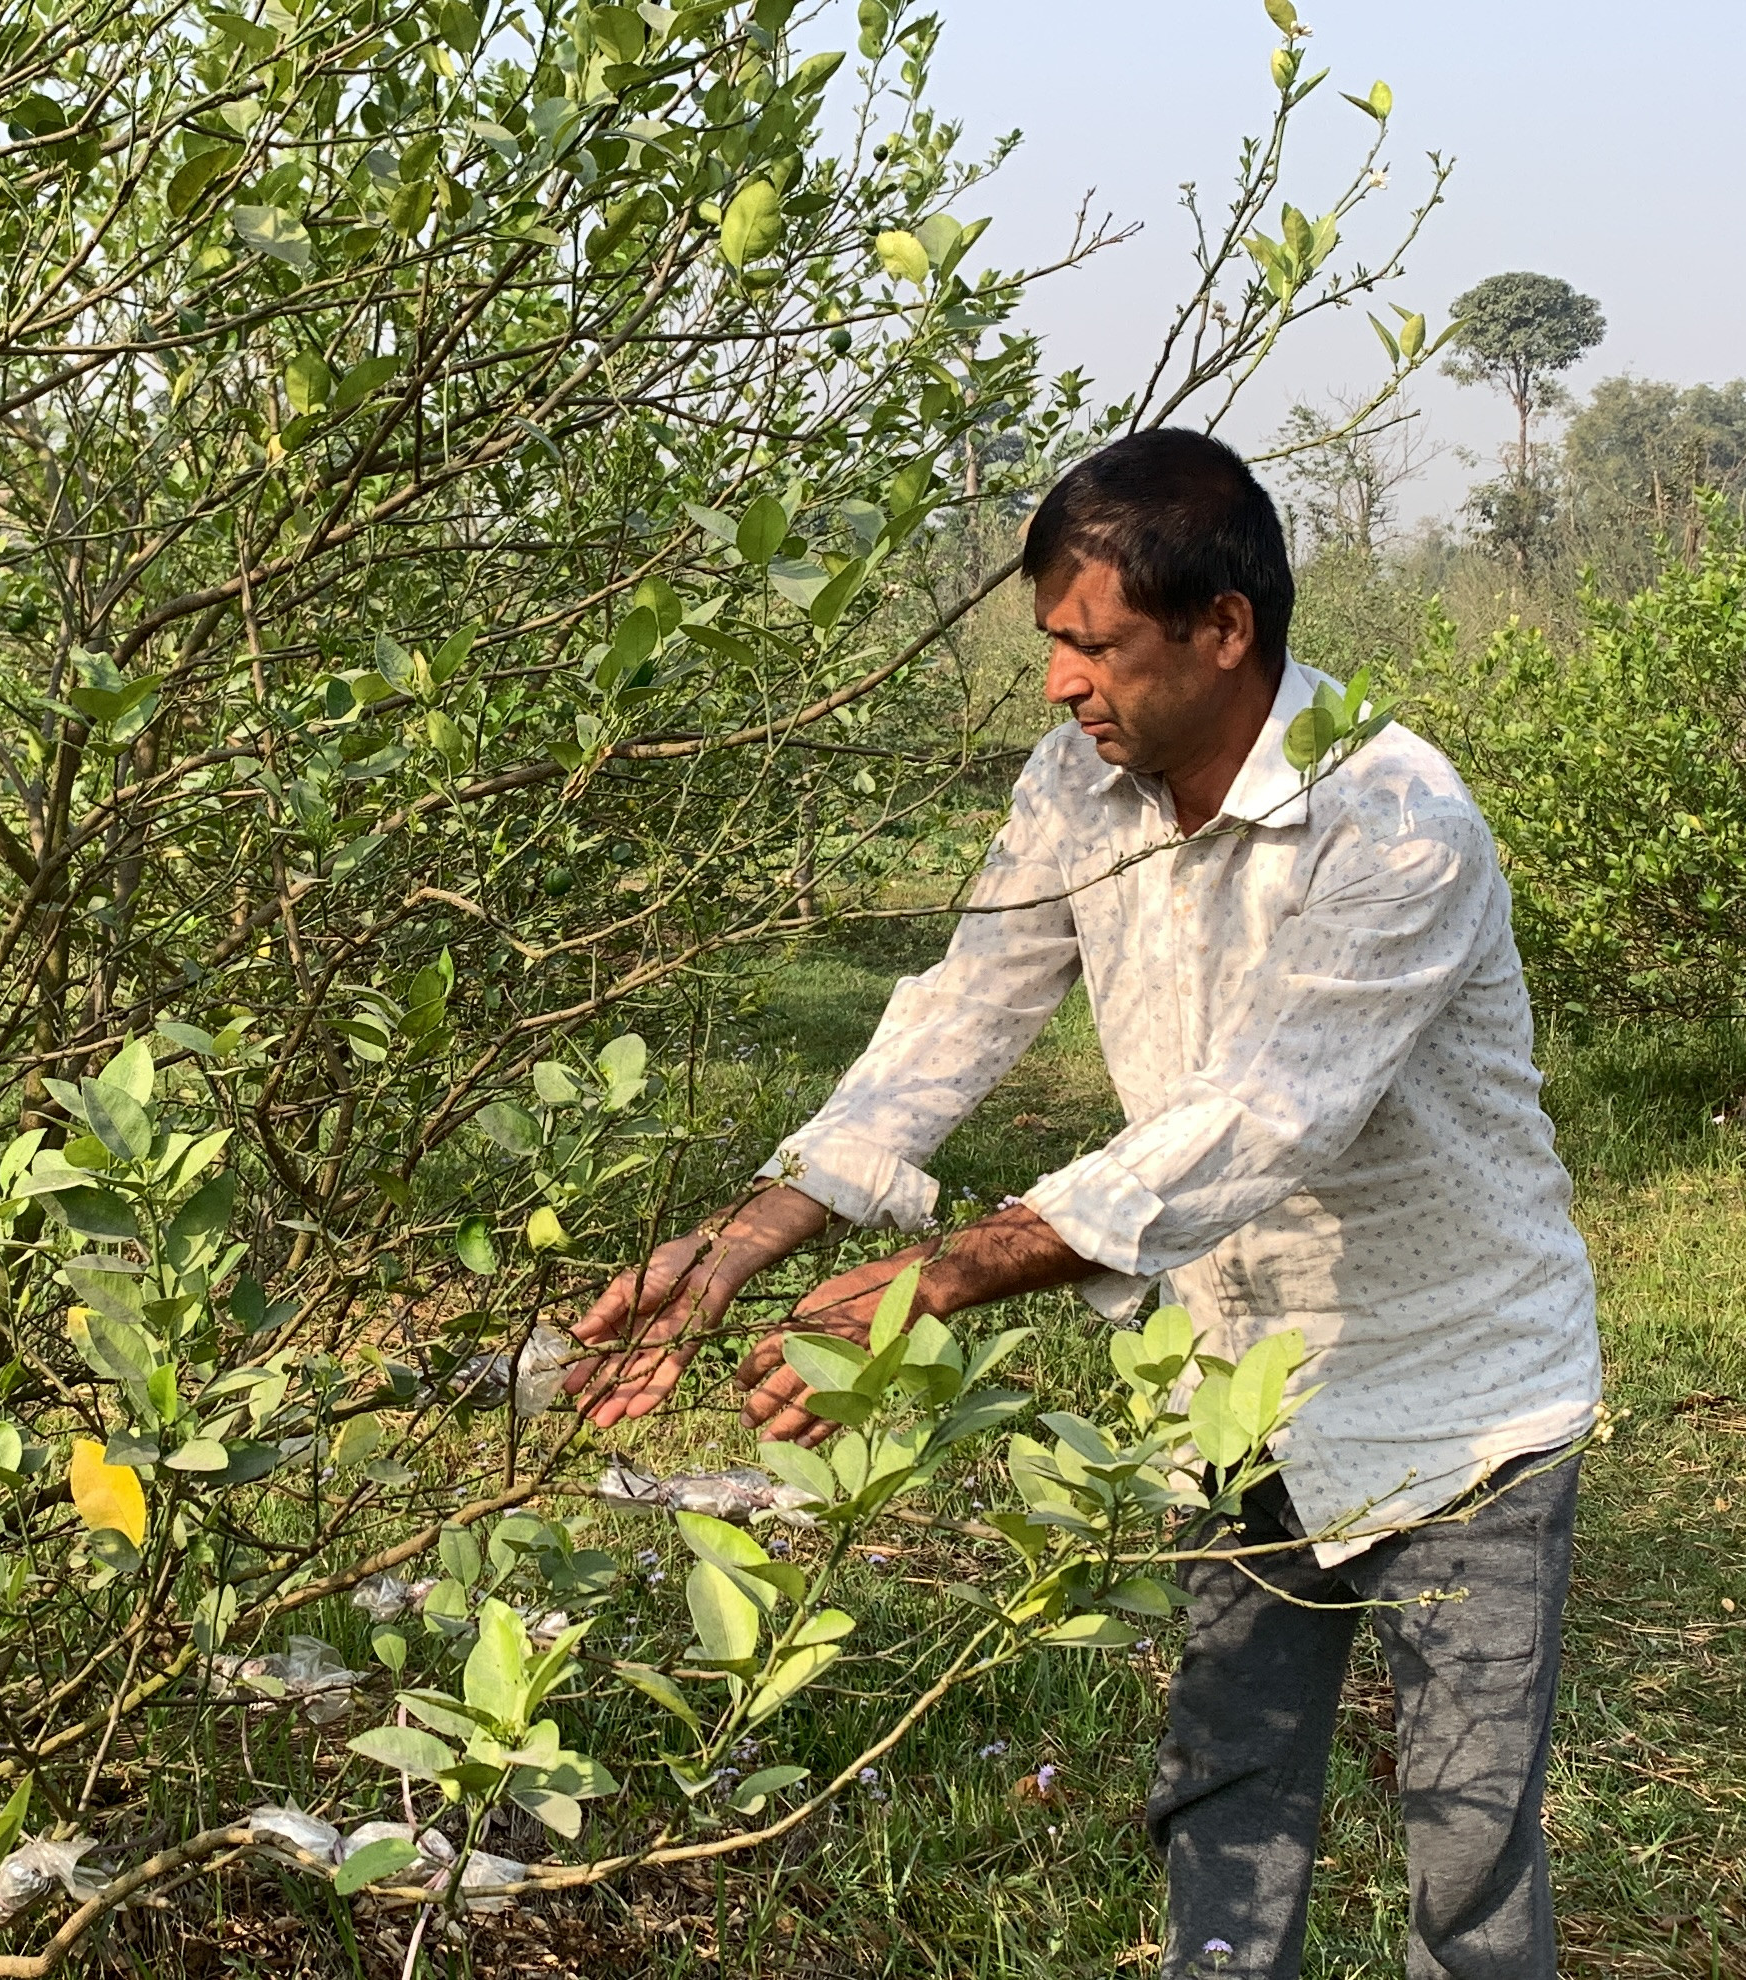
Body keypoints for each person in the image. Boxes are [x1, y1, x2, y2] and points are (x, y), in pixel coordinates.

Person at [561, 428, 1602, 1980]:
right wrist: (746, 1236)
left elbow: (1259, 1124)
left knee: (1464, 1842)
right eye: (1052, 644)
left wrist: (953, 1270)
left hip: (1463, 1402)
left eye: (1091, 645)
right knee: (1227, 1796)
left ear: (1223, 631)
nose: (1060, 684)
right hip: (1237, 1384)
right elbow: (958, 1012)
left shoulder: (1394, 823)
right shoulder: (1081, 784)